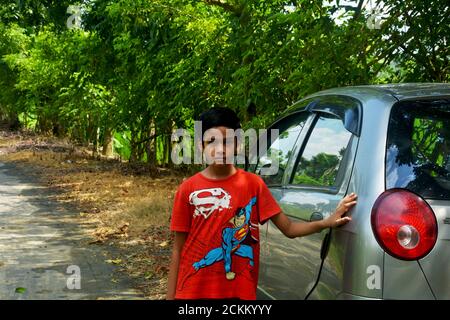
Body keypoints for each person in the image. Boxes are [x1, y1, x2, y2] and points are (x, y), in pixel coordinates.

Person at [166, 107, 357, 300]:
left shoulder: (253, 185)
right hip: (192, 295)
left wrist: (326, 222)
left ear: (239, 144)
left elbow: (289, 229)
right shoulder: (188, 190)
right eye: (212, 142)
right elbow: (178, 250)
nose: (221, 149)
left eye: (228, 142)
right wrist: (170, 296)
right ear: (200, 145)